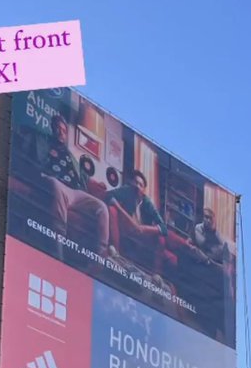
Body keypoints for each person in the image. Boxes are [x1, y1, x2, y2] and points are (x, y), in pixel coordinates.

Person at [40, 114, 110, 259]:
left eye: (64, 130)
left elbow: (82, 176)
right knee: (55, 184)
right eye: (58, 129)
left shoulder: (70, 154)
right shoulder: (44, 142)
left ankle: (101, 255)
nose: (61, 132)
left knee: (102, 207)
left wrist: (96, 183)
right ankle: (58, 250)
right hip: (59, 184)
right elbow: (40, 162)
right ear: (52, 129)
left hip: (76, 191)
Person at [105, 170, 168, 273]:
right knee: (112, 210)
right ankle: (115, 254)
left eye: (140, 185)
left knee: (161, 238)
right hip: (126, 227)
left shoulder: (147, 203)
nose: (137, 186)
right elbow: (108, 195)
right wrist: (124, 214)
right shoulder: (127, 191)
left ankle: (157, 275)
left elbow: (164, 228)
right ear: (131, 183)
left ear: (143, 190)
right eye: (135, 182)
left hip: (141, 234)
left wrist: (143, 228)